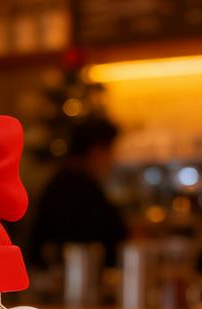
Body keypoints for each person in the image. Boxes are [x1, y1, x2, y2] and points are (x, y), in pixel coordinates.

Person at [27, 114, 127, 269]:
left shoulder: (57, 182)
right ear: (96, 150)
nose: (113, 160)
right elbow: (112, 237)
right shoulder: (83, 189)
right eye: (110, 151)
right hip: (78, 280)